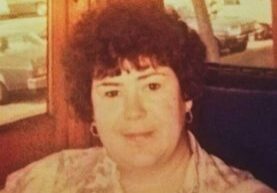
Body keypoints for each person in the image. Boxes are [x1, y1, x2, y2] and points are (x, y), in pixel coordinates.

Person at [1, 2, 276, 193]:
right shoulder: (46, 180)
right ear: (92, 110)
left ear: (186, 96)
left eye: (152, 86)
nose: (133, 112)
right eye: (111, 92)